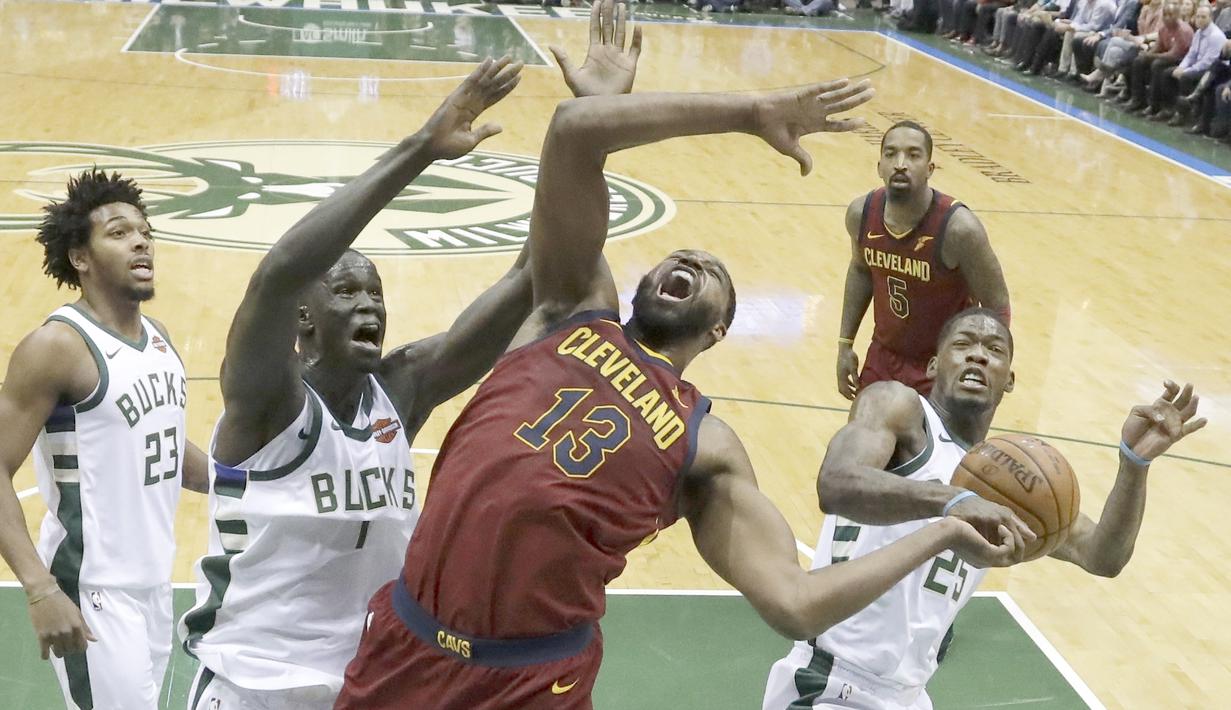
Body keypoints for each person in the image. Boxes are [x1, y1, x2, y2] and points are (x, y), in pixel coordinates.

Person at [336, 4, 1021, 708]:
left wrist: (942, 528)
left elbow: (795, 603)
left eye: (711, 271)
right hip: (406, 643)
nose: (690, 259)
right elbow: (572, 134)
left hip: (531, 681)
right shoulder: (569, 311)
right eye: (679, 257)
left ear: (718, 329)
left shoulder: (707, 446)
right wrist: (747, 111)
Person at [178, 57, 529, 709]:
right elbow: (278, 275)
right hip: (256, 684)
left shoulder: (400, 391)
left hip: (372, 684)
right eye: (345, 291)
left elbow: (529, 283)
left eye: (375, 292)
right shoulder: (267, 400)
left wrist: (584, 142)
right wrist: (420, 150)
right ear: (303, 318)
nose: (369, 304)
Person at [763, 308, 1206, 710]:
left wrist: (1134, 464)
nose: (977, 355)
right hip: (832, 685)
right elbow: (836, 483)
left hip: (907, 696)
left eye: (994, 350)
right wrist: (953, 501)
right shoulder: (899, 409)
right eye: (963, 344)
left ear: (1009, 379)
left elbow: (1102, 555)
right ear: (933, 366)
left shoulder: (1008, 479)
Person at [0, 169, 208, 709]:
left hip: (153, 586)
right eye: (119, 232)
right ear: (80, 258)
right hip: (91, 591)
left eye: (144, 231)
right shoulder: (57, 347)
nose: (141, 241)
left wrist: (248, 481)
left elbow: (164, 445)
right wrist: (40, 588)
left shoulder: (159, 339)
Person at [835, 122, 1009, 402]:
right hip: (883, 357)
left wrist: (991, 369)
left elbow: (997, 304)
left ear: (930, 168)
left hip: (943, 365)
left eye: (913, 155)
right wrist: (845, 344)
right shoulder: (861, 214)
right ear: (879, 166)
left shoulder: (959, 229)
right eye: (891, 154)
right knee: (862, 430)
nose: (900, 164)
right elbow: (860, 269)